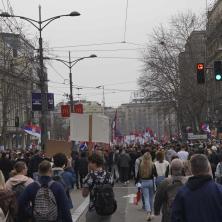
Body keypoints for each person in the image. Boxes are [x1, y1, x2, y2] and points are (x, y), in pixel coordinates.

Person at [171, 154, 222, 222]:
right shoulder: (219, 190)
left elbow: (175, 218)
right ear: (208, 168)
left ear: (191, 170)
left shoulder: (182, 193)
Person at [82, 153, 115, 222]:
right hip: (107, 208)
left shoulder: (90, 176)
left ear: (94, 163)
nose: (88, 164)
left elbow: (84, 194)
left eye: (90, 162)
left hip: (94, 208)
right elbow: (111, 188)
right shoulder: (109, 175)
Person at [139, 152, 157, 221]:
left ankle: (148, 212)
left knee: (146, 198)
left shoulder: (141, 165)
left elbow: (139, 174)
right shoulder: (152, 164)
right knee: (151, 198)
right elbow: (155, 174)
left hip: (143, 181)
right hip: (150, 181)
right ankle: (151, 213)